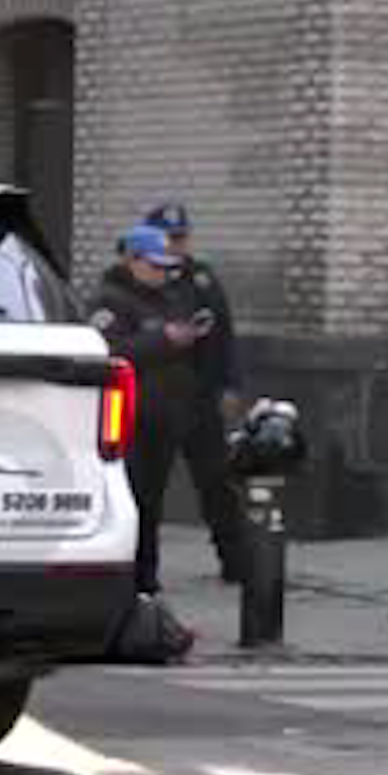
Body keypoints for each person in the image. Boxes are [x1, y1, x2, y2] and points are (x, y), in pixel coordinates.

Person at [89, 224, 223, 595]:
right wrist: (163, 339)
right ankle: (125, 580)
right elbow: (110, 352)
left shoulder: (167, 297)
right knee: (130, 500)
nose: (163, 274)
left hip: (166, 417)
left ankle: (147, 578)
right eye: (155, 265)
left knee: (152, 503)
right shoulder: (108, 301)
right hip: (129, 419)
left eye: (167, 267)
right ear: (131, 260)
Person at [141, 202, 247, 582]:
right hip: (157, 402)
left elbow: (224, 337)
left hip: (201, 397)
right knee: (148, 489)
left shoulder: (201, 279)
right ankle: (142, 574)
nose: (176, 246)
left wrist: (230, 385)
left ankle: (237, 562)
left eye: (181, 238)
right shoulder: (142, 280)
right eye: (169, 239)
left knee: (218, 483)